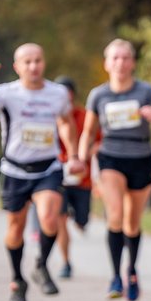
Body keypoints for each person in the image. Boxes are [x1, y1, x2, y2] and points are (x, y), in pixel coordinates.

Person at [0, 44, 81, 301]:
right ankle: (17, 280)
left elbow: (66, 122)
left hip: (48, 167)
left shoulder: (58, 93)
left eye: (37, 60)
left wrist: (72, 154)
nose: (33, 66)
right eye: (27, 62)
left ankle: (40, 265)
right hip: (15, 170)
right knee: (15, 228)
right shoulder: (7, 93)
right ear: (17, 67)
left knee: (50, 218)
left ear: (44, 63)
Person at [77, 39, 151, 301]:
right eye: (115, 58)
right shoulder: (99, 94)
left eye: (125, 58)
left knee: (132, 222)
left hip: (141, 157)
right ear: (107, 63)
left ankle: (132, 270)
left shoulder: (146, 91)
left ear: (133, 62)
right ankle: (115, 276)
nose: (120, 63)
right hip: (111, 157)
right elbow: (89, 131)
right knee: (115, 215)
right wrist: (81, 159)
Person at [50, 75, 96, 279]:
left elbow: (98, 140)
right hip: (57, 174)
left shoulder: (85, 115)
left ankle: (80, 221)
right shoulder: (47, 115)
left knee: (82, 217)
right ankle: (66, 262)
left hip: (81, 176)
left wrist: (84, 156)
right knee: (60, 218)